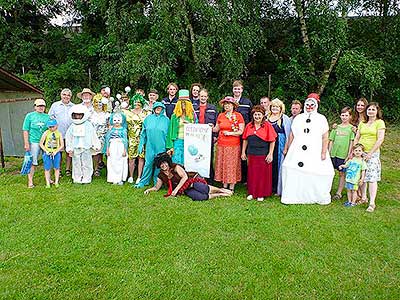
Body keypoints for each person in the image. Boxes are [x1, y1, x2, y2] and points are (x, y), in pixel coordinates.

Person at [281, 93, 334, 205]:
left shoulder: (321, 118)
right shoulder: (299, 118)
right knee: (292, 169)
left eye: (312, 105)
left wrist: (324, 152)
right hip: (297, 150)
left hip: (315, 150)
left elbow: (325, 137)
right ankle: (295, 195)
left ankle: (313, 195)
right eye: (308, 104)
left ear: (316, 106)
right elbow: (292, 134)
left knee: (316, 171)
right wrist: (289, 148)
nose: (310, 107)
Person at [143, 152, 233, 200]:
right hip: (185, 189)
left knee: (202, 188)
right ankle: (221, 195)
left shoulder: (175, 167)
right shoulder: (161, 175)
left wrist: (176, 190)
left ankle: (222, 190)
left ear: (167, 162)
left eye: (165, 163)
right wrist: (149, 190)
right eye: (161, 164)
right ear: (159, 165)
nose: (164, 165)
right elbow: (156, 187)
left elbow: (185, 177)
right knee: (198, 197)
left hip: (192, 180)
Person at [353, 102, 385, 212]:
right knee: (361, 175)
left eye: (373, 109)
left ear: (377, 111)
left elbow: (380, 139)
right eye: (369, 109)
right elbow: (357, 137)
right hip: (360, 152)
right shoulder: (362, 123)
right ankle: (363, 197)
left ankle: (372, 203)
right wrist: (356, 149)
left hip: (372, 153)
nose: (370, 111)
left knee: (371, 177)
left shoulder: (379, 123)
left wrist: (370, 153)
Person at [241, 105, 277, 201]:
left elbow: (272, 140)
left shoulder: (267, 126)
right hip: (251, 153)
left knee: (262, 175)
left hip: (263, 154)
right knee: (252, 174)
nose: (257, 117)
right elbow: (245, 140)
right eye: (255, 115)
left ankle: (261, 193)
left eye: (259, 115)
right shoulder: (249, 126)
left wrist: (270, 154)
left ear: (263, 116)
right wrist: (243, 152)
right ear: (253, 116)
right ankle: (252, 192)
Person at [134, 102, 170, 188]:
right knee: (148, 163)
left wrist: (169, 147)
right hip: (150, 145)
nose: (158, 109)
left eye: (160, 107)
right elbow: (143, 133)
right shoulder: (148, 119)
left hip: (161, 145)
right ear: (153, 108)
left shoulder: (167, 120)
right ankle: (143, 181)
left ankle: (157, 181)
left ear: (163, 109)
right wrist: (141, 144)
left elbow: (169, 135)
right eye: (156, 107)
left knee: (160, 165)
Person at [213, 96, 245, 191]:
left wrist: (230, 133)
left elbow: (241, 131)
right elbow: (216, 129)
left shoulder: (238, 116)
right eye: (225, 104)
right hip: (222, 144)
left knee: (231, 164)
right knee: (223, 163)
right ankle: (224, 184)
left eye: (229, 104)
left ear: (233, 105)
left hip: (233, 145)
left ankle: (231, 186)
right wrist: (209, 127)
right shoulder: (221, 115)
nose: (227, 106)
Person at [65, 104, 101, 184]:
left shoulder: (88, 124)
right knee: (76, 163)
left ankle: (87, 177)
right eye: (76, 115)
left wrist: (96, 145)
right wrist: (69, 148)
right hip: (75, 148)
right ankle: (77, 177)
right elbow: (69, 137)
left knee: (87, 163)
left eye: (80, 115)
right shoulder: (72, 126)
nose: (78, 116)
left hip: (86, 147)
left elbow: (93, 135)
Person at [22, 98, 50, 188]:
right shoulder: (29, 116)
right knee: (33, 161)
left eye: (43, 106)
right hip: (34, 141)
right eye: (39, 106)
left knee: (48, 160)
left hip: (45, 142)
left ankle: (48, 179)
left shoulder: (47, 117)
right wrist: (26, 143)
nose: (41, 107)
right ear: (35, 107)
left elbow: (51, 129)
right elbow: (25, 130)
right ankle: (30, 181)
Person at [328, 107, 355, 200]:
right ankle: (326, 189)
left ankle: (338, 192)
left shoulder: (351, 129)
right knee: (329, 172)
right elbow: (331, 140)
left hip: (343, 155)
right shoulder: (336, 127)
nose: (344, 117)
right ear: (340, 116)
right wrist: (328, 152)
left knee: (341, 174)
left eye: (346, 115)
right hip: (333, 154)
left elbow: (351, 142)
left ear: (350, 117)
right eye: (343, 115)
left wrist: (349, 154)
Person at [267, 98, 291, 195]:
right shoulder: (266, 117)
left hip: (279, 144)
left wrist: (286, 148)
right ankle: (267, 186)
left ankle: (276, 187)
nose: (275, 108)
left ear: (281, 108)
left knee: (277, 166)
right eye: (273, 106)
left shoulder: (284, 118)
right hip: (266, 144)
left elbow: (289, 134)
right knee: (267, 165)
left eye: (277, 106)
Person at [48, 88, 74, 176]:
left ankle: (68, 169)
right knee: (58, 152)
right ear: (61, 95)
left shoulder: (73, 106)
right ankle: (57, 170)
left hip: (70, 134)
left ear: (70, 97)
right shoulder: (55, 105)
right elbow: (50, 118)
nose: (66, 96)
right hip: (58, 133)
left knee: (69, 152)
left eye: (68, 95)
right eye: (64, 94)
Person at [166, 89, 197, 165]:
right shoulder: (174, 116)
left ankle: (187, 176)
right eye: (181, 103)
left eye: (185, 103)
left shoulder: (192, 116)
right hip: (177, 141)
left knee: (188, 160)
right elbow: (170, 131)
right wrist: (170, 146)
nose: (183, 105)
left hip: (189, 142)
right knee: (176, 161)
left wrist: (190, 124)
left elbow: (197, 128)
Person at [194, 88, 218, 182]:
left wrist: (215, 135)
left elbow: (216, 122)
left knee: (208, 157)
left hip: (209, 136)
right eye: (201, 96)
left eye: (205, 96)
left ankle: (210, 179)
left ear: (207, 97)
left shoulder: (213, 108)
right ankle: (197, 177)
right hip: (196, 136)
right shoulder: (194, 108)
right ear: (198, 97)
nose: (203, 98)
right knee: (197, 156)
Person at [126, 93, 149, 184]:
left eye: (139, 102)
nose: (137, 104)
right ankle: (131, 176)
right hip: (131, 138)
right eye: (135, 102)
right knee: (131, 158)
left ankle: (139, 177)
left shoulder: (146, 113)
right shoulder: (127, 112)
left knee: (141, 157)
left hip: (142, 138)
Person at [105, 112, 128, 185]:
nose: (117, 122)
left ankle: (120, 178)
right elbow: (107, 139)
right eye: (115, 120)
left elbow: (125, 140)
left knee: (120, 161)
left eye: (119, 120)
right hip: (112, 146)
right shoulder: (111, 130)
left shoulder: (123, 130)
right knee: (112, 161)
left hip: (120, 146)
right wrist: (107, 149)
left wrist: (125, 150)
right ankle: (112, 178)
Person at [39, 119, 64, 188]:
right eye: (50, 127)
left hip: (56, 153)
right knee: (47, 168)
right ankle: (48, 182)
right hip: (47, 153)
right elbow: (41, 143)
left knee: (57, 167)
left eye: (53, 126)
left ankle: (56, 181)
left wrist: (57, 151)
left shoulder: (59, 133)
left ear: (56, 126)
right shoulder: (46, 133)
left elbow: (62, 145)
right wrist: (46, 151)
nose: (51, 128)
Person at [90, 91, 110, 176]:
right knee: (94, 153)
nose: (99, 104)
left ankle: (110, 170)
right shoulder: (90, 113)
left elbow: (109, 126)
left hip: (104, 136)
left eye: (100, 102)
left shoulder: (107, 114)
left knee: (105, 153)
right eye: (97, 102)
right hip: (93, 136)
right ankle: (94, 169)